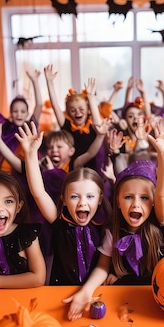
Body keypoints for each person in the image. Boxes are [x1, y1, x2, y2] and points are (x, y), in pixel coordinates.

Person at [62, 121, 164, 321]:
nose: (136, 204)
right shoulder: (113, 231)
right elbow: (103, 266)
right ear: (117, 201)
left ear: (152, 203)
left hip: (161, 298)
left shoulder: (159, 221)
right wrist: (86, 290)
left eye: (144, 198)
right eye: (128, 197)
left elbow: (162, 192)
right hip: (126, 298)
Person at [16, 121, 111, 289]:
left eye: (90, 196)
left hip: (96, 288)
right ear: (64, 199)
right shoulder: (59, 222)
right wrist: (31, 154)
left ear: (100, 199)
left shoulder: (104, 224)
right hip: (61, 289)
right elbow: (38, 192)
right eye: (74, 196)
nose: (82, 202)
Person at [44, 65, 104, 170]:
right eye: (73, 110)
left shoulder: (93, 126)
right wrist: (49, 82)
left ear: (88, 109)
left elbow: (100, 127)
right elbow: (55, 106)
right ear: (68, 113)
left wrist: (90, 96)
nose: (77, 113)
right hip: (72, 167)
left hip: (92, 167)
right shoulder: (66, 125)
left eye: (81, 109)